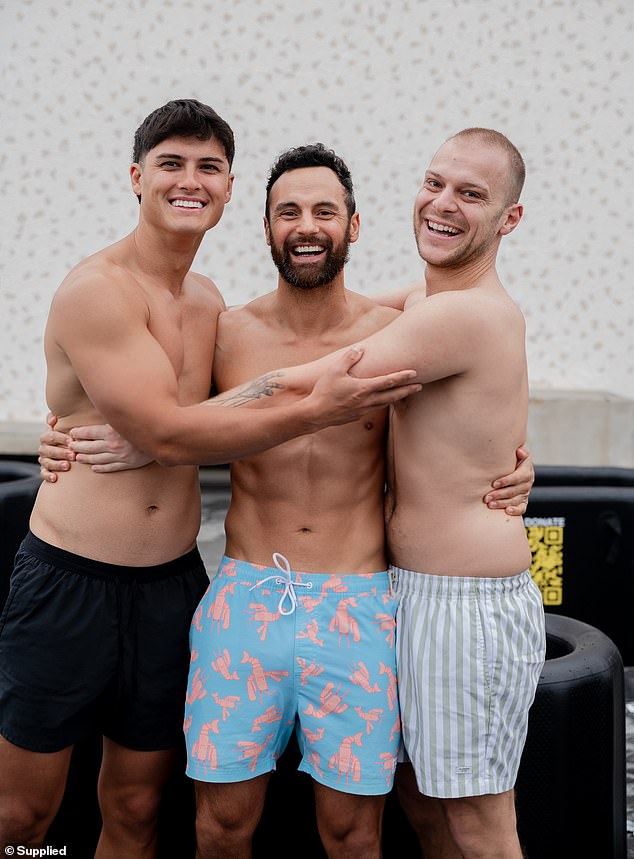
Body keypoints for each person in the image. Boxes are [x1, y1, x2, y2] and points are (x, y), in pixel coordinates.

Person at [39, 141, 535, 858]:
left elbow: (485, 389)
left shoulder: (396, 327)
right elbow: (130, 389)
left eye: (325, 211)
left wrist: (522, 462)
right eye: (289, 212)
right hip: (246, 597)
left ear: (355, 227)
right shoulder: (227, 331)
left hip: (359, 605)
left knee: (352, 832)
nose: (307, 226)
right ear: (268, 227)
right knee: (220, 824)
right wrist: (72, 434)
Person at [0, 102, 423, 856]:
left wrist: (505, 472)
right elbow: (168, 421)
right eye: (171, 162)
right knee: (21, 821)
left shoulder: (214, 309)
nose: (190, 180)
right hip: (85, 582)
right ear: (137, 177)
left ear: (227, 192)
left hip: (178, 586)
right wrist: (161, 436)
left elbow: (450, 308)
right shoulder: (134, 299)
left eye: (208, 167)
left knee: (136, 809)